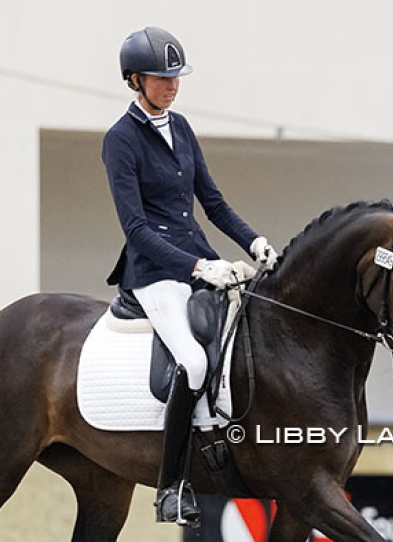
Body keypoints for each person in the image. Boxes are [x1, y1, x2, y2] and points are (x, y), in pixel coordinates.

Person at [102, 26, 278, 526]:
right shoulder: (120, 140)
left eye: (175, 76)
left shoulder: (180, 127)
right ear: (134, 80)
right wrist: (200, 267)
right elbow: (135, 227)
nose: (171, 85)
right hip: (154, 272)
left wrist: (253, 242)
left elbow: (213, 202)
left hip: (198, 256)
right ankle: (172, 485)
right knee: (195, 364)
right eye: (160, 77)